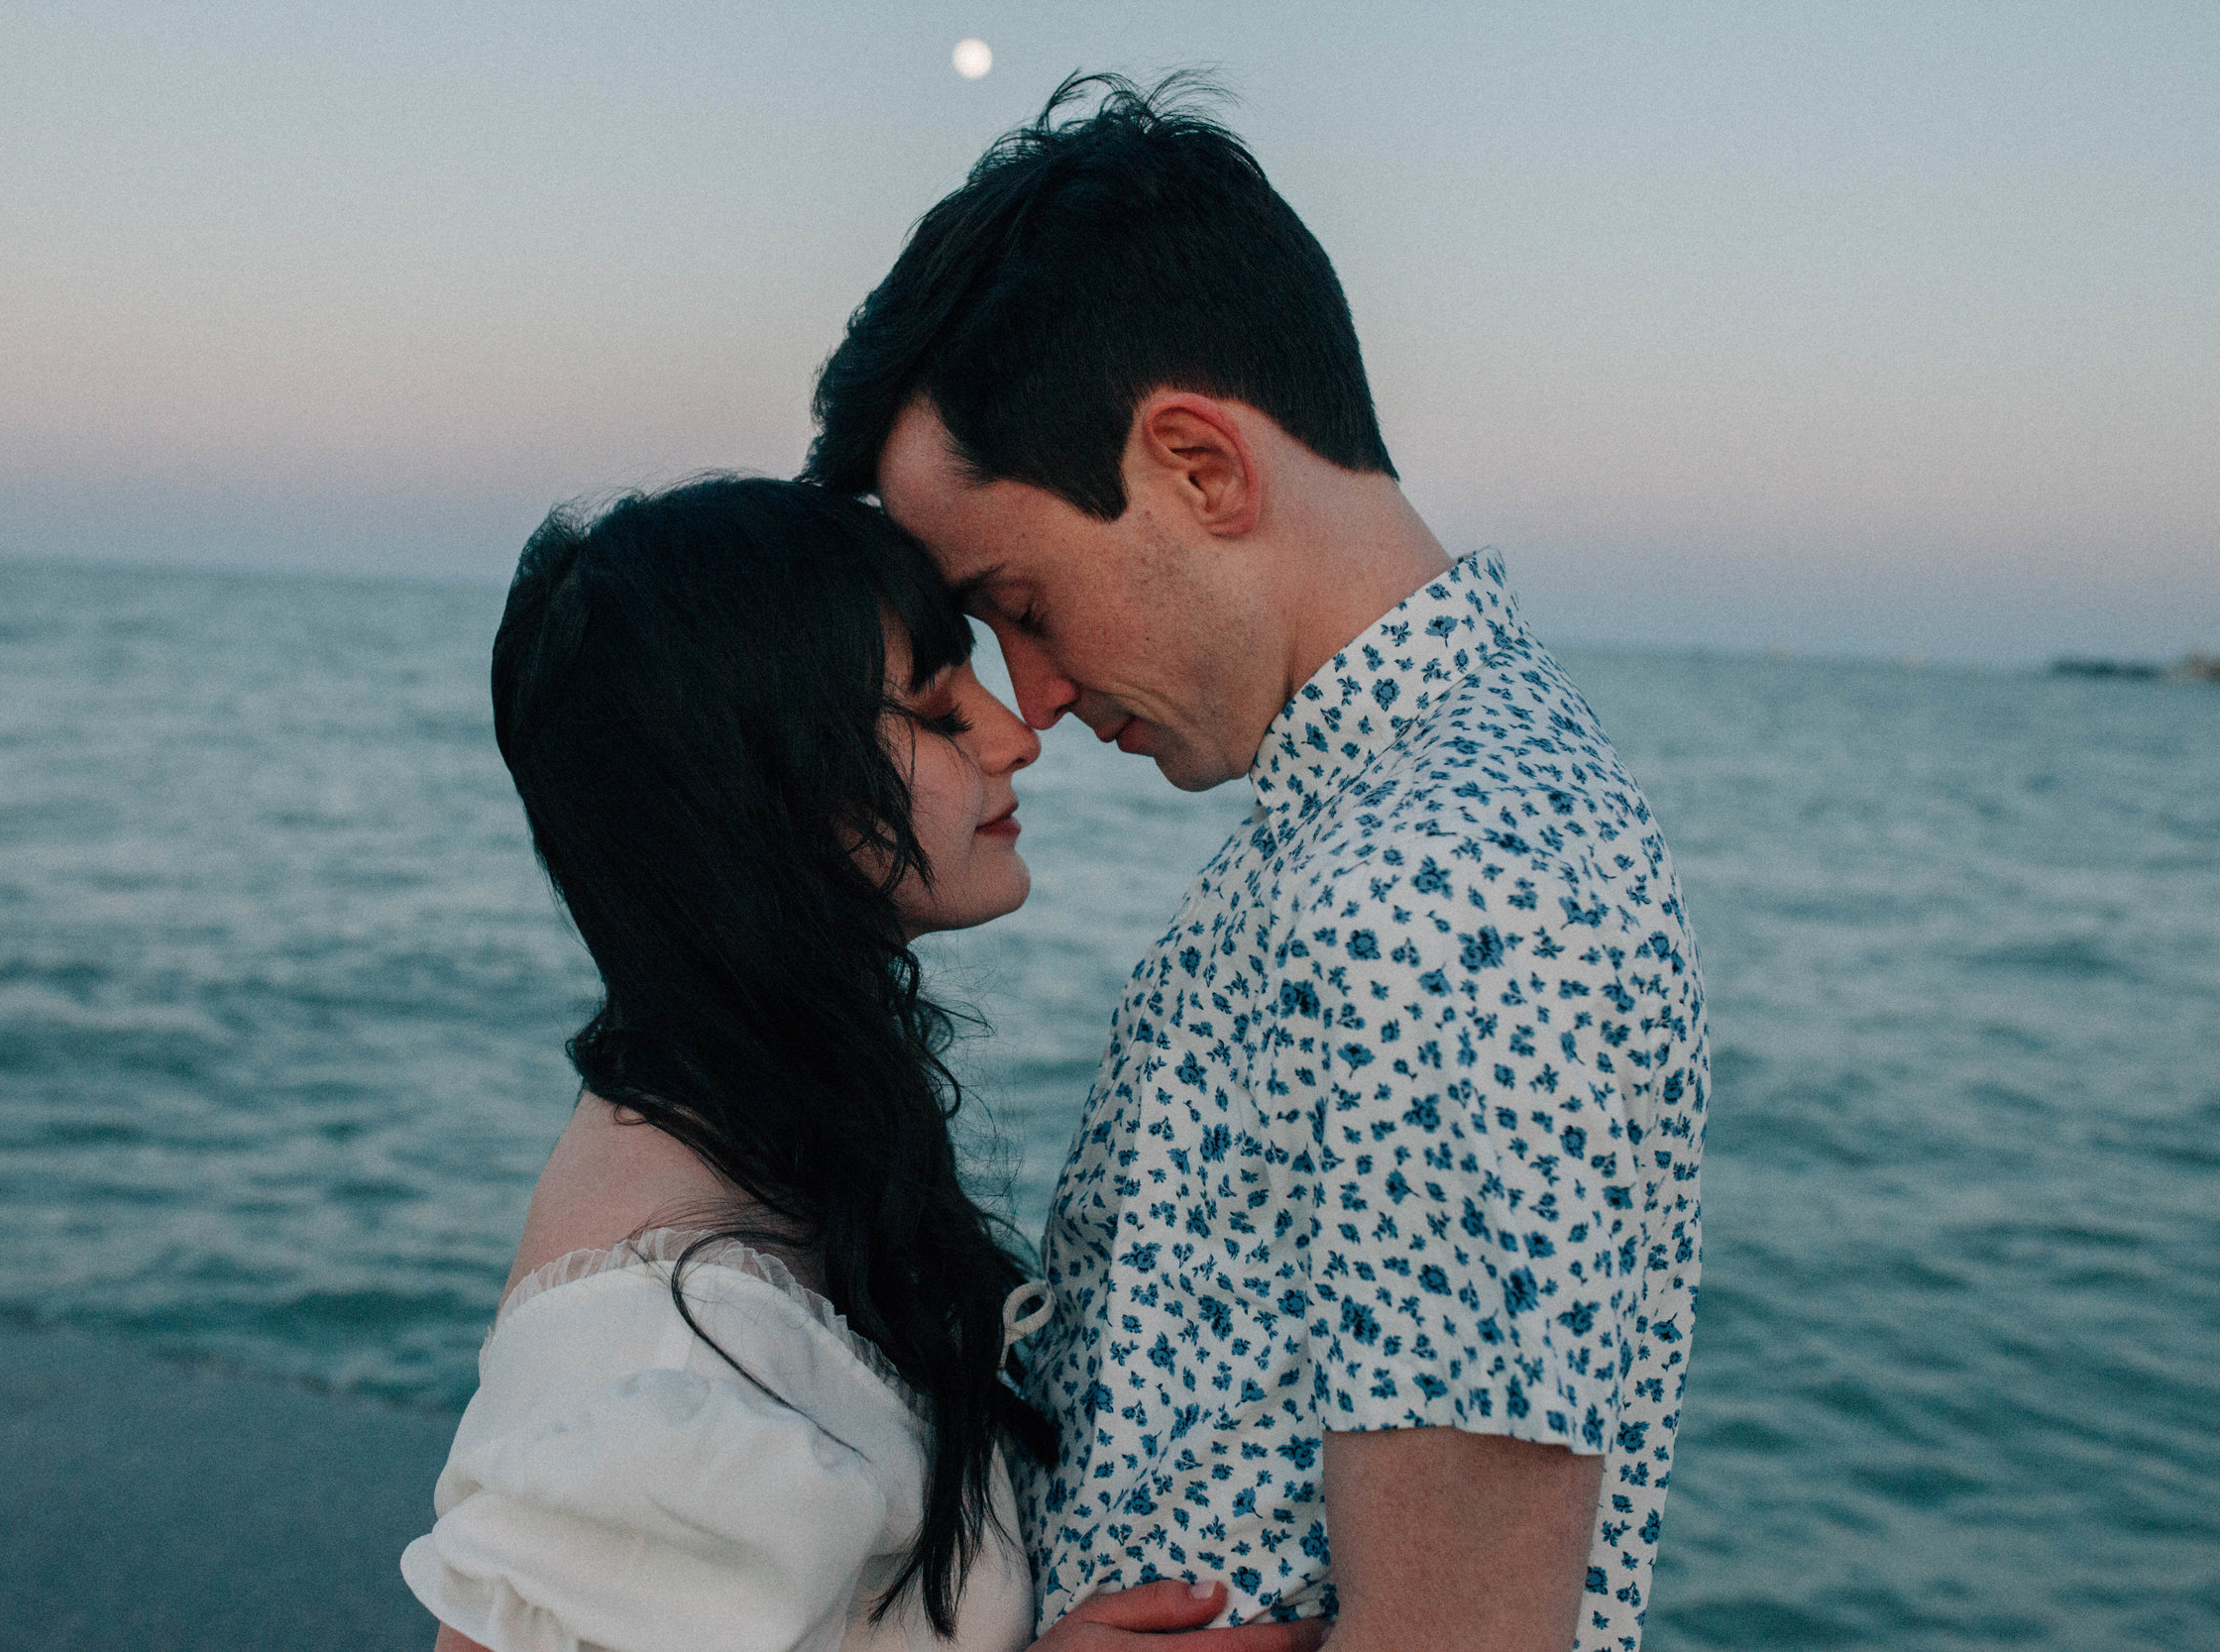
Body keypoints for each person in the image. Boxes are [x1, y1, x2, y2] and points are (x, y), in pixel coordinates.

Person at [804, 76, 1710, 1652]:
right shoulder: (1382, 822)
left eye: (1021, 600)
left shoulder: (1440, 891)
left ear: (1201, 468)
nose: (1040, 697)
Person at [398, 478, 1330, 1652]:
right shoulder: (660, 1334)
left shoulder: (764, 1127)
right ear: (756, 789)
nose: (1016, 735)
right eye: (939, 712)